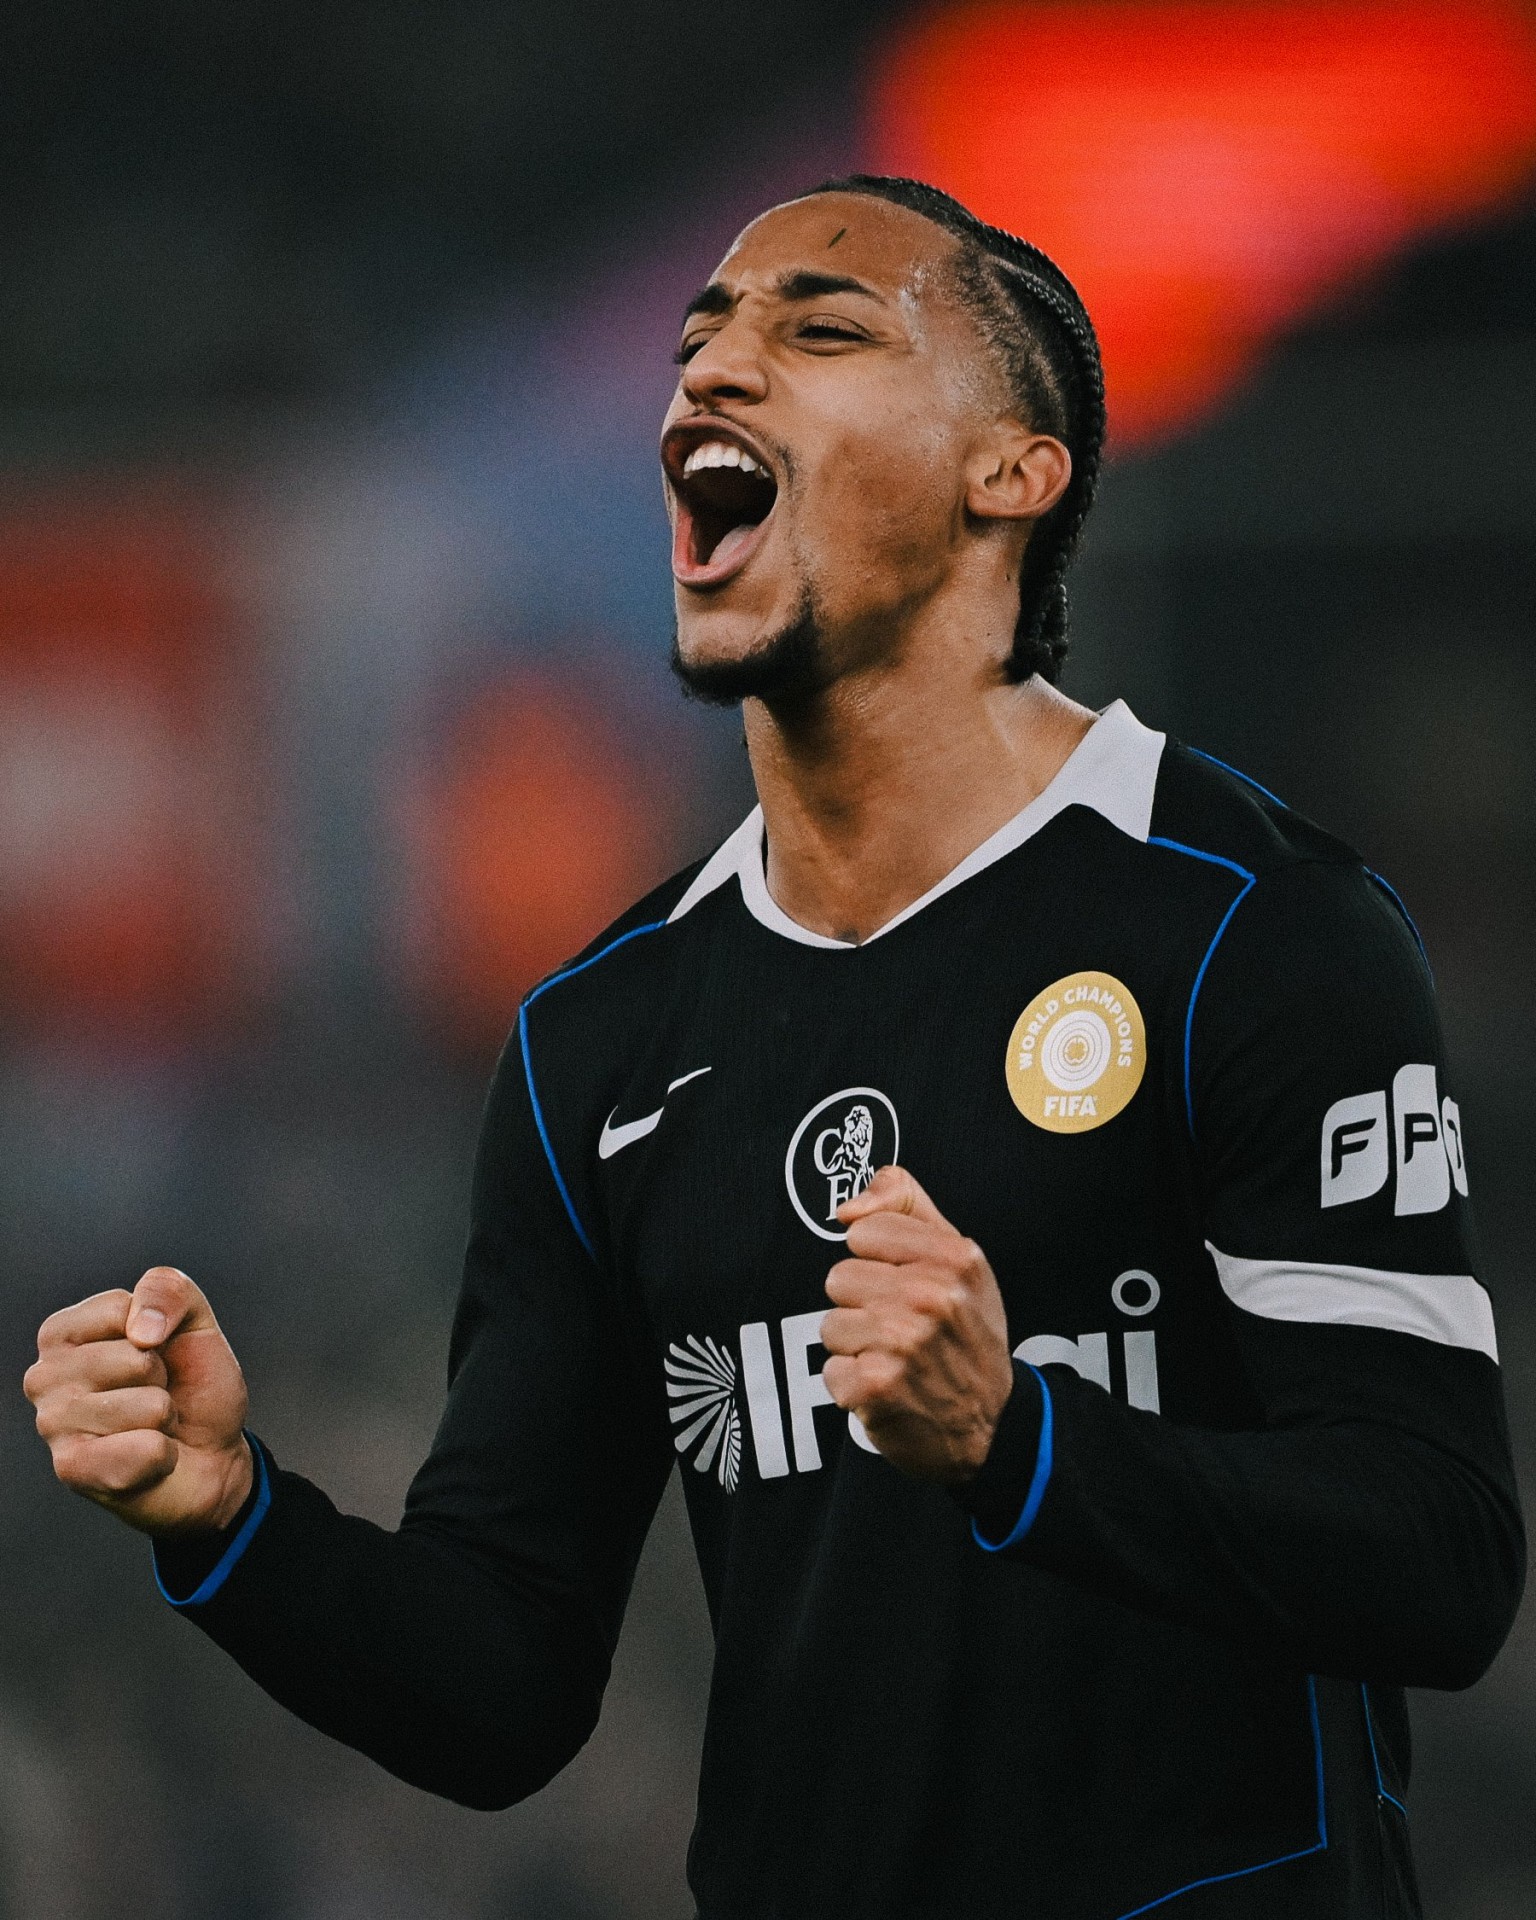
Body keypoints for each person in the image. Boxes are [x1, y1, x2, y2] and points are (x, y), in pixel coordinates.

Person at [23, 175, 1523, 1919]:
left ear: (1011, 472)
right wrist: (232, 1522)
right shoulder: (600, 1040)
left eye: (821, 329)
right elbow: (501, 1688)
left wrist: (1021, 1442)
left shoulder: (1251, 925)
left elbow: (1439, 1560)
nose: (715, 372)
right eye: (700, 339)